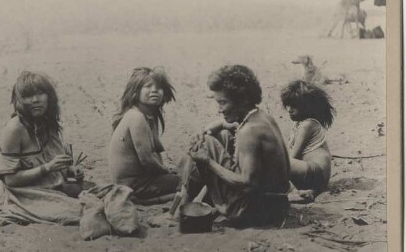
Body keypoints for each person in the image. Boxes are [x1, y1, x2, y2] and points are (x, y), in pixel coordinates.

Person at [178, 65, 290, 227]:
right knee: (222, 135)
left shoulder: (248, 132)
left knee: (206, 143)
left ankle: (181, 209)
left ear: (243, 100)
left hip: (254, 211)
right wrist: (214, 127)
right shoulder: (263, 118)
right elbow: (229, 125)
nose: (220, 109)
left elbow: (247, 183)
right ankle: (189, 205)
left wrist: (208, 162)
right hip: (277, 206)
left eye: (223, 103)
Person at [0, 71, 84, 197]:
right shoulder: (14, 129)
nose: (35, 100)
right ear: (19, 100)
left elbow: (52, 162)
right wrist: (47, 168)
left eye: (40, 93)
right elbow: (10, 180)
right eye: (28, 96)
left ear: (49, 96)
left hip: (56, 188)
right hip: (28, 196)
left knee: (110, 194)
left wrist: (70, 170)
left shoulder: (47, 122)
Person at [108, 67, 179, 200]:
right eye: (148, 86)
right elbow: (147, 160)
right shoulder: (136, 117)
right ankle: (148, 201)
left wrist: (168, 168)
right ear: (135, 92)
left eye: (159, 87)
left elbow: (157, 150)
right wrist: (166, 171)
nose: (154, 91)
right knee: (188, 181)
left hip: (138, 180)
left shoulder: (150, 115)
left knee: (182, 169)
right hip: (132, 185)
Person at [280, 80, 336, 203]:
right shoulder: (300, 123)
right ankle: (311, 192)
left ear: (306, 107)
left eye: (294, 106)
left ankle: (291, 192)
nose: (289, 110)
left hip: (316, 174)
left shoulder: (308, 125)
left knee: (278, 164)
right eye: (288, 105)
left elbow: (293, 157)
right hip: (316, 178)